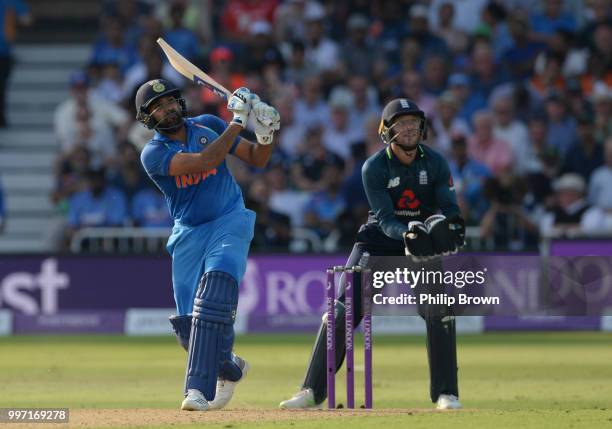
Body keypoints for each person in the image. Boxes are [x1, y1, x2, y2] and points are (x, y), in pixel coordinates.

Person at [279, 98, 465, 410]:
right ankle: (311, 391)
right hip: (379, 240)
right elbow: (387, 218)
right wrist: (407, 234)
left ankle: (447, 394)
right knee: (340, 311)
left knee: (440, 311)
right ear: (387, 130)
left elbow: (450, 209)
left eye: (414, 122)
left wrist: (452, 227)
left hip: (422, 243)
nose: (409, 129)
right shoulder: (374, 167)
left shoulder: (435, 162)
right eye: (401, 123)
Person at [136, 79, 280, 411]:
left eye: (171, 101)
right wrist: (239, 121)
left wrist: (266, 131)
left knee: (215, 290)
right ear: (148, 117)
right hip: (189, 233)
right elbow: (205, 161)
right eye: (158, 106)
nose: (168, 108)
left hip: (229, 218)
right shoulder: (153, 153)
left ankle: (196, 391)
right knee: (190, 331)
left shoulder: (209, 124)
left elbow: (257, 158)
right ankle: (229, 366)